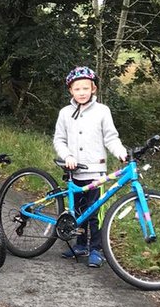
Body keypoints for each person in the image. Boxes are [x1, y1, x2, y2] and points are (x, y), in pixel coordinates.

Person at [52, 65, 128, 268]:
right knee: (78, 211)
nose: (82, 93)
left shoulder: (102, 111)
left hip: (96, 172)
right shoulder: (65, 113)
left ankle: (95, 248)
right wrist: (67, 155)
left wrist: (121, 153)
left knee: (95, 213)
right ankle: (79, 244)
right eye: (77, 89)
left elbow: (111, 138)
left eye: (86, 88)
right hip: (74, 171)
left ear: (93, 88)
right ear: (71, 91)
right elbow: (59, 140)